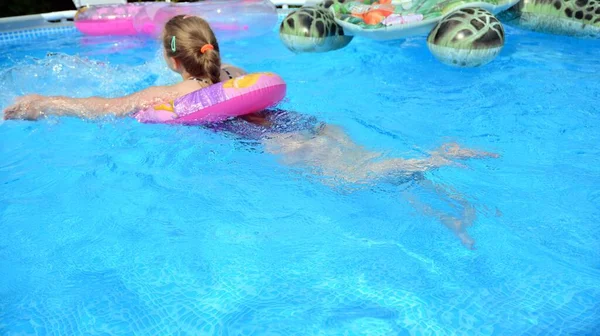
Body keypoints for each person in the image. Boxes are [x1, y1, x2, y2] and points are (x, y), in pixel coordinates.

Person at [2, 15, 498, 248]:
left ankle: (436, 157)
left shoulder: (161, 96)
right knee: (364, 165)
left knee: (352, 181)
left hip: (278, 142)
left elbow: (100, 107)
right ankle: (448, 211)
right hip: (306, 124)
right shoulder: (233, 69)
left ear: (171, 59)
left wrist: (40, 103)